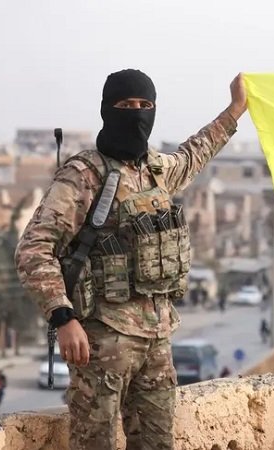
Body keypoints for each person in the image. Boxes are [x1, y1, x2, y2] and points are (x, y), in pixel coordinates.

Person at [15, 69, 248, 450]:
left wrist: (235, 109)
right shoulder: (83, 175)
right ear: (107, 109)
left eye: (145, 105)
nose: (137, 112)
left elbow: (196, 152)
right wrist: (63, 317)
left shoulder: (156, 171)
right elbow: (34, 247)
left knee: (158, 444)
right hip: (101, 340)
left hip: (157, 339)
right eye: (126, 105)